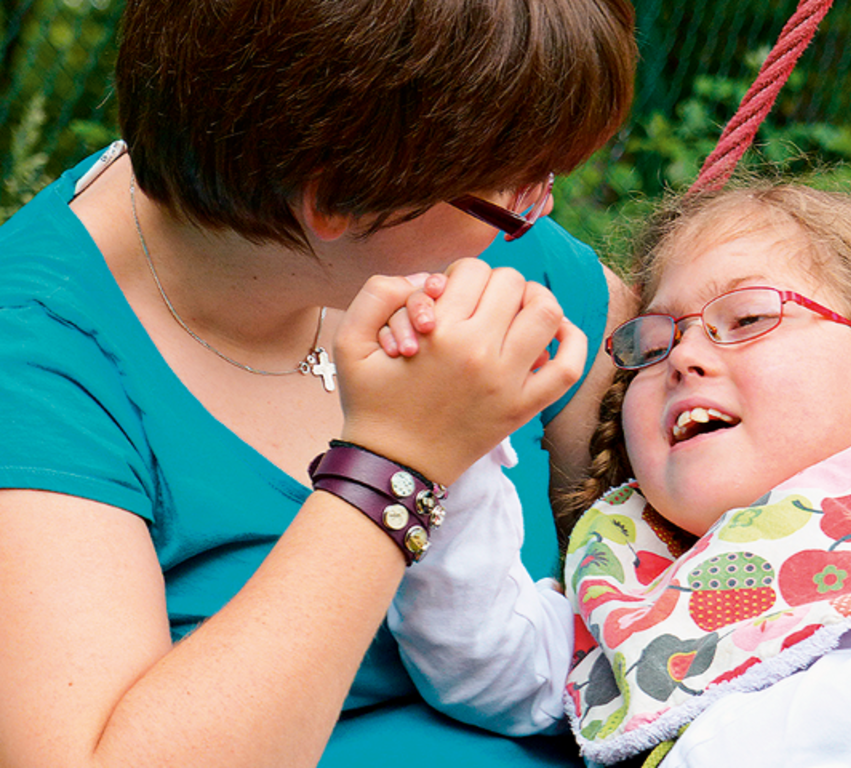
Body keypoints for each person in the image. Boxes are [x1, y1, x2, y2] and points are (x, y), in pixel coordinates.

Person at [0, 0, 638, 765]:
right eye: (513, 191)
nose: (537, 212)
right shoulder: (39, 367)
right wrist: (395, 464)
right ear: (338, 195)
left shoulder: (483, 249)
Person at [387, 180, 851, 767]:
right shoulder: (635, 568)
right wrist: (455, 453)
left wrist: (736, 744)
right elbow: (488, 672)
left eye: (746, 319)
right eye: (653, 343)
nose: (685, 356)